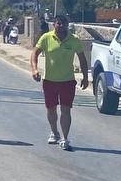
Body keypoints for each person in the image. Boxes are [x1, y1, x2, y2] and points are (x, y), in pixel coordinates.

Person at [30, 14, 90, 151]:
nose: (61, 26)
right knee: (51, 109)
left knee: (65, 110)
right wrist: (34, 69)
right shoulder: (46, 38)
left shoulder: (74, 40)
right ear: (54, 24)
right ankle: (54, 132)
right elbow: (35, 53)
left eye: (64, 24)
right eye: (58, 23)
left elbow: (82, 59)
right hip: (49, 80)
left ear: (67, 25)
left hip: (67, 81)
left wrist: (85, 77)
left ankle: (65, 138)